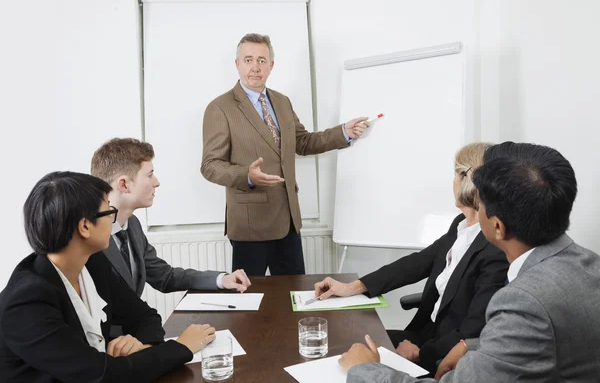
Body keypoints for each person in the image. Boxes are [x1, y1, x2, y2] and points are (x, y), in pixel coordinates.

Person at [341, 142, 600, 383]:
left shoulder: (523, 302)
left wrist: (363, 370)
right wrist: (471, 345)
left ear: (496, 225)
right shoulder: (590, 264)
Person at [0, 172, 215, 382]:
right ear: (85, 226)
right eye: (108, 212)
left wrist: (143, 345)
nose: (113, 219)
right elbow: (102, 375)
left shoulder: (92, 263)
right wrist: (181, 347)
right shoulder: (26, 302)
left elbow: (144, 316)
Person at [313, 143, 508, 373]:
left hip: (443, 351)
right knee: (347, 346)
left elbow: (473, 331)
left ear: (467, 180)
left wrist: (419, 354)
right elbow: (415, 264)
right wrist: (351, 287)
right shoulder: (460, 225)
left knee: (355, 361)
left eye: (455, 174)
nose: (452, 183)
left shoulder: (494, 249)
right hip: (425, 333)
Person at [201, 33, 370, 276]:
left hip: (288, 222)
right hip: (250, 225)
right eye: (248, 60)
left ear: (271, 66)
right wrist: (246, 176)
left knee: (294, 297)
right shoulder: (219, 108)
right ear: (237, 64)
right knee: (251, 303)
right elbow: (210, 165)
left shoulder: (282, 102)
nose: (255, 67)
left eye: (262, 60)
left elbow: (302, 142)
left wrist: (344, 132)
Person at [91, 138, 251, 298]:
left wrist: (221, 280)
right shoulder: (87, 236)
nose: (157, 182)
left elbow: (165, 277)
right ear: (124, 184)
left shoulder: (132, 224)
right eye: (149, 175)